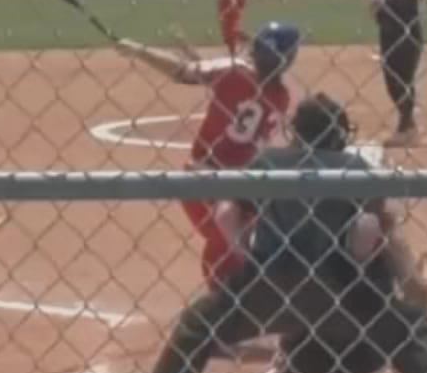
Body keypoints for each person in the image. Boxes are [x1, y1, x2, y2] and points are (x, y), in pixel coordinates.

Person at [111, 94, 427, 373]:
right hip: (341, 292)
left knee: (198, 323)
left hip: (269, 288)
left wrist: (246, 258)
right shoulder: (354, 168)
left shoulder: (268, 162)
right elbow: (386, 229)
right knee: (416, 328)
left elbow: (227, 211)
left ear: (297, 132)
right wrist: (409, 283)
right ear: (340, 133)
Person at [117, 22, 301, 288]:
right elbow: (225, 79)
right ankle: (230, 299)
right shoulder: (281, 96)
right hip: (241, 185)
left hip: (202, 176)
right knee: (236, 243)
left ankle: (225, 299)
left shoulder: (235, 72)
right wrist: (192, 52)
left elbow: (186, 73)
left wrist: (139, 50)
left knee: (225, 245)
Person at [368, 0, 427, 145]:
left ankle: (405, 128)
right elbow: (373, 14)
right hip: (387, 38)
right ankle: (409, 126)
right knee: (391, 83)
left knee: (403, 81)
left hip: (408, 37)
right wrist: (375, 3)